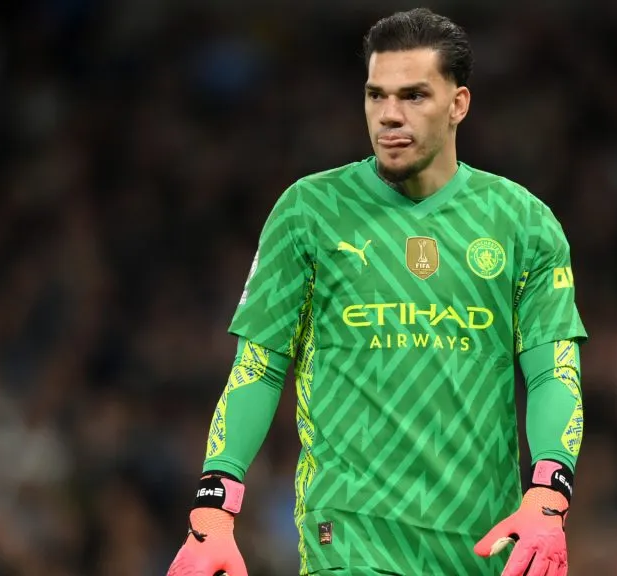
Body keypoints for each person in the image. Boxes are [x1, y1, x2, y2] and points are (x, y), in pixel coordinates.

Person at [166, 8, 587, 576]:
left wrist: (548, 496)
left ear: (458, 104)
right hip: (349, 538)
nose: (389, 115)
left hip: (483, 545)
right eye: (376, 95)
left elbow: (551, 372)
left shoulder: (522, 223)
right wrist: (213, 510)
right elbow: (259, 367)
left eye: (414, 96)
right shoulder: (309, 213)